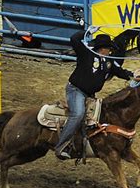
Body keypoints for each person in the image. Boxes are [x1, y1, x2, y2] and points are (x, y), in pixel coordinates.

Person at [55, 28, 133, 159]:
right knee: (78, 114)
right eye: (109, 48)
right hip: (76, 90)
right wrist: (86, 31)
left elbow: (121, 72)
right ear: (103, 48)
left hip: (89, 94)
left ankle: (82, 144)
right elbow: (74, 39)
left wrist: (133, 76)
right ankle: (60, 146)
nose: (110, 51)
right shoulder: (86, 53)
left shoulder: (108, 62)